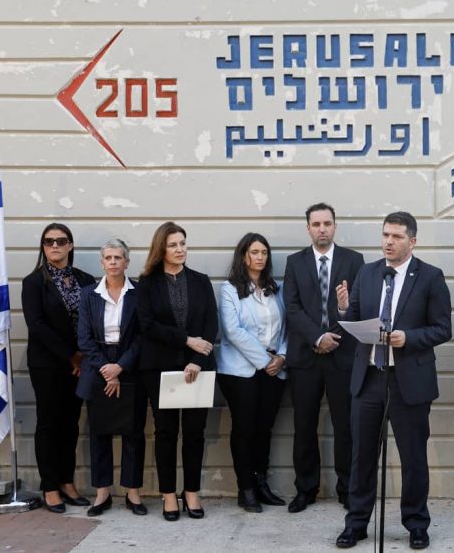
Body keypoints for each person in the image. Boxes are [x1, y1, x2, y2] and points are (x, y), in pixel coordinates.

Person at [335, 212, 452, 550]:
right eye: (385, 235)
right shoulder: (368, 272)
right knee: (362, 456)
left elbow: (443, 328)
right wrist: (344, 310)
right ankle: (356, 523)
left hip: (408, 381)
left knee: (413, 457)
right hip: (369, 378)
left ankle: (416, 524)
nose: (388, 242)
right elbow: (354, 319)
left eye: (397, 237)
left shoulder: (430, 277)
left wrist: (408, 337)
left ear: (412, 241)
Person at [284, 203, 363, 513]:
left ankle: (348, 488)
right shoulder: (295, 263)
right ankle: (306, 489)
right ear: (308, 228)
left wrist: (335, 327)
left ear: (335, 226)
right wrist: (317, 337)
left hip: (342, 355)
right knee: (304, 426)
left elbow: (357, 306)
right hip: (305, 357)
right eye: (315, 224)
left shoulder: (354, 261)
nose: (321, 229)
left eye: (327, 223)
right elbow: (291, 308)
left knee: (346, 426)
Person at [136, 221, 218, 521]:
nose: (180, 249)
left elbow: (211, 323)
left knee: (195, 433)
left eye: (183, 243)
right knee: (166, 433)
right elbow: (147, 326)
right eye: (173, 245)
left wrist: (198, 358)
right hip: (160, 368)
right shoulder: (147, 283)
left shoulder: (200, 280)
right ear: (161, 248)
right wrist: (187, 340)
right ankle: (169, 494)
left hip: (198, 368)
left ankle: (192, 492)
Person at [21, 222, 95, 512]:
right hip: (48, 364)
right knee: (49, 424)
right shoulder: (34, 281)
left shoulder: (86, 279)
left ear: (70, 246)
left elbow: (94, 318)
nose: (55, 246)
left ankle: (67, 481)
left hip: (79, 364)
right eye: (49, 241)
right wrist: (70, 356)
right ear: (43, 247)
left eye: (61, 241)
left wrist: (83, 355)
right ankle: (49, 486)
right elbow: (37, 325)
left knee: (71, 424)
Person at [217, 233, 289, 513]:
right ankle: (245, 488)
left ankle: (261, 484)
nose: (259, 257)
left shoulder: (276, 288)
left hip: (274, 369)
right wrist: (265, 360)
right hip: (240, 371)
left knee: (264, 429)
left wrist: (281, 357)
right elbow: (233, 331)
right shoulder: (229, 289)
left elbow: (287, 326)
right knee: (245, 428)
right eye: (254, 252)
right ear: (243, 255)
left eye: (263, 252)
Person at [76, 238, 147, 516]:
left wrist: (120, 367)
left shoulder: (139, 294)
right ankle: (102, 493)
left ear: (127, 262)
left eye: (119, 258)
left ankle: (133, 492)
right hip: (98, 368)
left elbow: (143, 336)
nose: (114, 262)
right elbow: (84, 338)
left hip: (131, 366)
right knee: (99, 433)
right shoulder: (88, 294)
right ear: (102, 262)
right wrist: (107, 369)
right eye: (109, 258)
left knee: (134, 433)